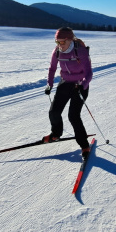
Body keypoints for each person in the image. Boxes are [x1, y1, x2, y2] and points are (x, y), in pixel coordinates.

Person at [44, 27, 93, 158]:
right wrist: (50, 83)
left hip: (80, 84)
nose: (59, 45)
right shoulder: (57, 52)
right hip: (65, 82)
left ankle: (84, 146)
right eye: (57, 42)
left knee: (73, 116)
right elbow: (52, 68)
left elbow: (88, 73)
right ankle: (56, 134)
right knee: (54, 112)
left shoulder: (80, 51)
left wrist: (83, 84)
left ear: (69, 40)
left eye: (62, 42)